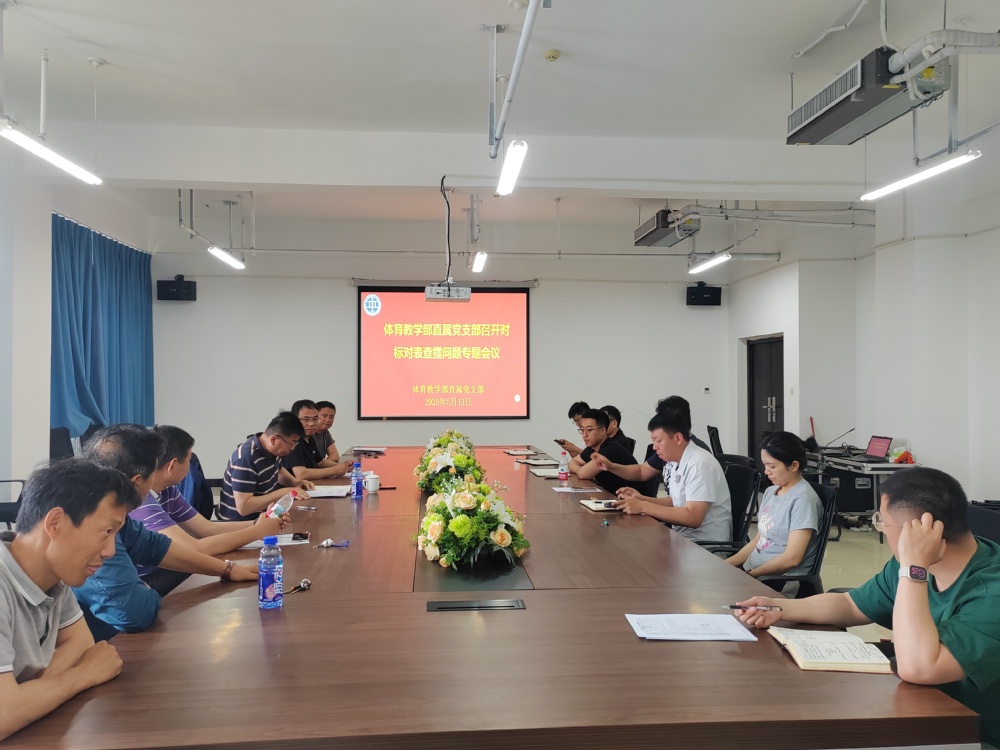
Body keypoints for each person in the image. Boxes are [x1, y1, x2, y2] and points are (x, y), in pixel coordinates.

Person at [735, 467, 1000, 747]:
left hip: (973, 735)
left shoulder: (988, 589)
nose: (881, 528)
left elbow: (920, 669)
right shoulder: (910, 566)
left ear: (922, 530)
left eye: (883, 521)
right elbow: (850, 604)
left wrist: (913, 568)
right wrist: (779, 608)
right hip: (921, 715)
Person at [74, 425, 259, 640]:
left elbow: (156, 546)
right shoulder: (93, 531)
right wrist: (147, 589)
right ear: (136, 482)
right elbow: (135, 614)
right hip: (103, 644)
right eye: (153, 474)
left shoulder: (114, 517)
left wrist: (227, 570)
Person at [0, 459, 137, 741]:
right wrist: (85, 673)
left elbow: (82, 642)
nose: (110, 550)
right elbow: (3, 715)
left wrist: (26, 692)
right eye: (106, 531)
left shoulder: (55, 577)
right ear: (56, 523)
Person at [130, 426, 287, 566]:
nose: (191, 467)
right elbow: (193, 549)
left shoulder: (167, 490)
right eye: (189, 460)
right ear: (172, 465)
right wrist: (257, 531)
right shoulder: (142, 501)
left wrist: (260, 523)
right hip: (150, 579)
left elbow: (207, 529)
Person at [592, 409, 732, 543]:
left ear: (678, 438)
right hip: (682, 538)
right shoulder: (676, 460)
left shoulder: (700, 464)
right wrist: (640, 499)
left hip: (705, 547)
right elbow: (675, 501)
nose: (654, 447)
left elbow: (693, 517)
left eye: (658, 441)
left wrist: (643, 506)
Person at [725, 431, 822, 579]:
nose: (766, 472)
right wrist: (725, 565)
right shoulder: (771, 492)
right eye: (765, 465)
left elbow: (792, 558)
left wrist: (750, 575)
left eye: (772, 466)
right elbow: (758, 541)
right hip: (754, 572)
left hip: (777, 580)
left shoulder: (803, 500)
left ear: (794, 465)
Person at [217, 412, 315, 521]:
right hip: (239, 524)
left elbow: (279, 470)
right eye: (292, 443)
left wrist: (296, 483)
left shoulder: (271, 449)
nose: (293, 448)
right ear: (274, 439)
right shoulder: (245, 460)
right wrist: (284, 492)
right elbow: (244, 507)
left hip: (264, 516)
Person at [567, 408, 639, 495]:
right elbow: (573, 462)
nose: (584, 435)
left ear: (602, 431)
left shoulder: (611, 449)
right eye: (582, 430)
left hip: (627, 498)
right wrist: (579, 470)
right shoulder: (592, 447)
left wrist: (580, 471)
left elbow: (583, 474)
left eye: (589, 430)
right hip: (608, 494)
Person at [282, 400, 353, 482]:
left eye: (315, 419)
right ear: (294, 420)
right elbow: (301, 474)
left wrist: (343, 466)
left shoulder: (309, 438)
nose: (311, 424)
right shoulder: (293, 441)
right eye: (306, 419)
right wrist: (335, 470)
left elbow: (320, 463)